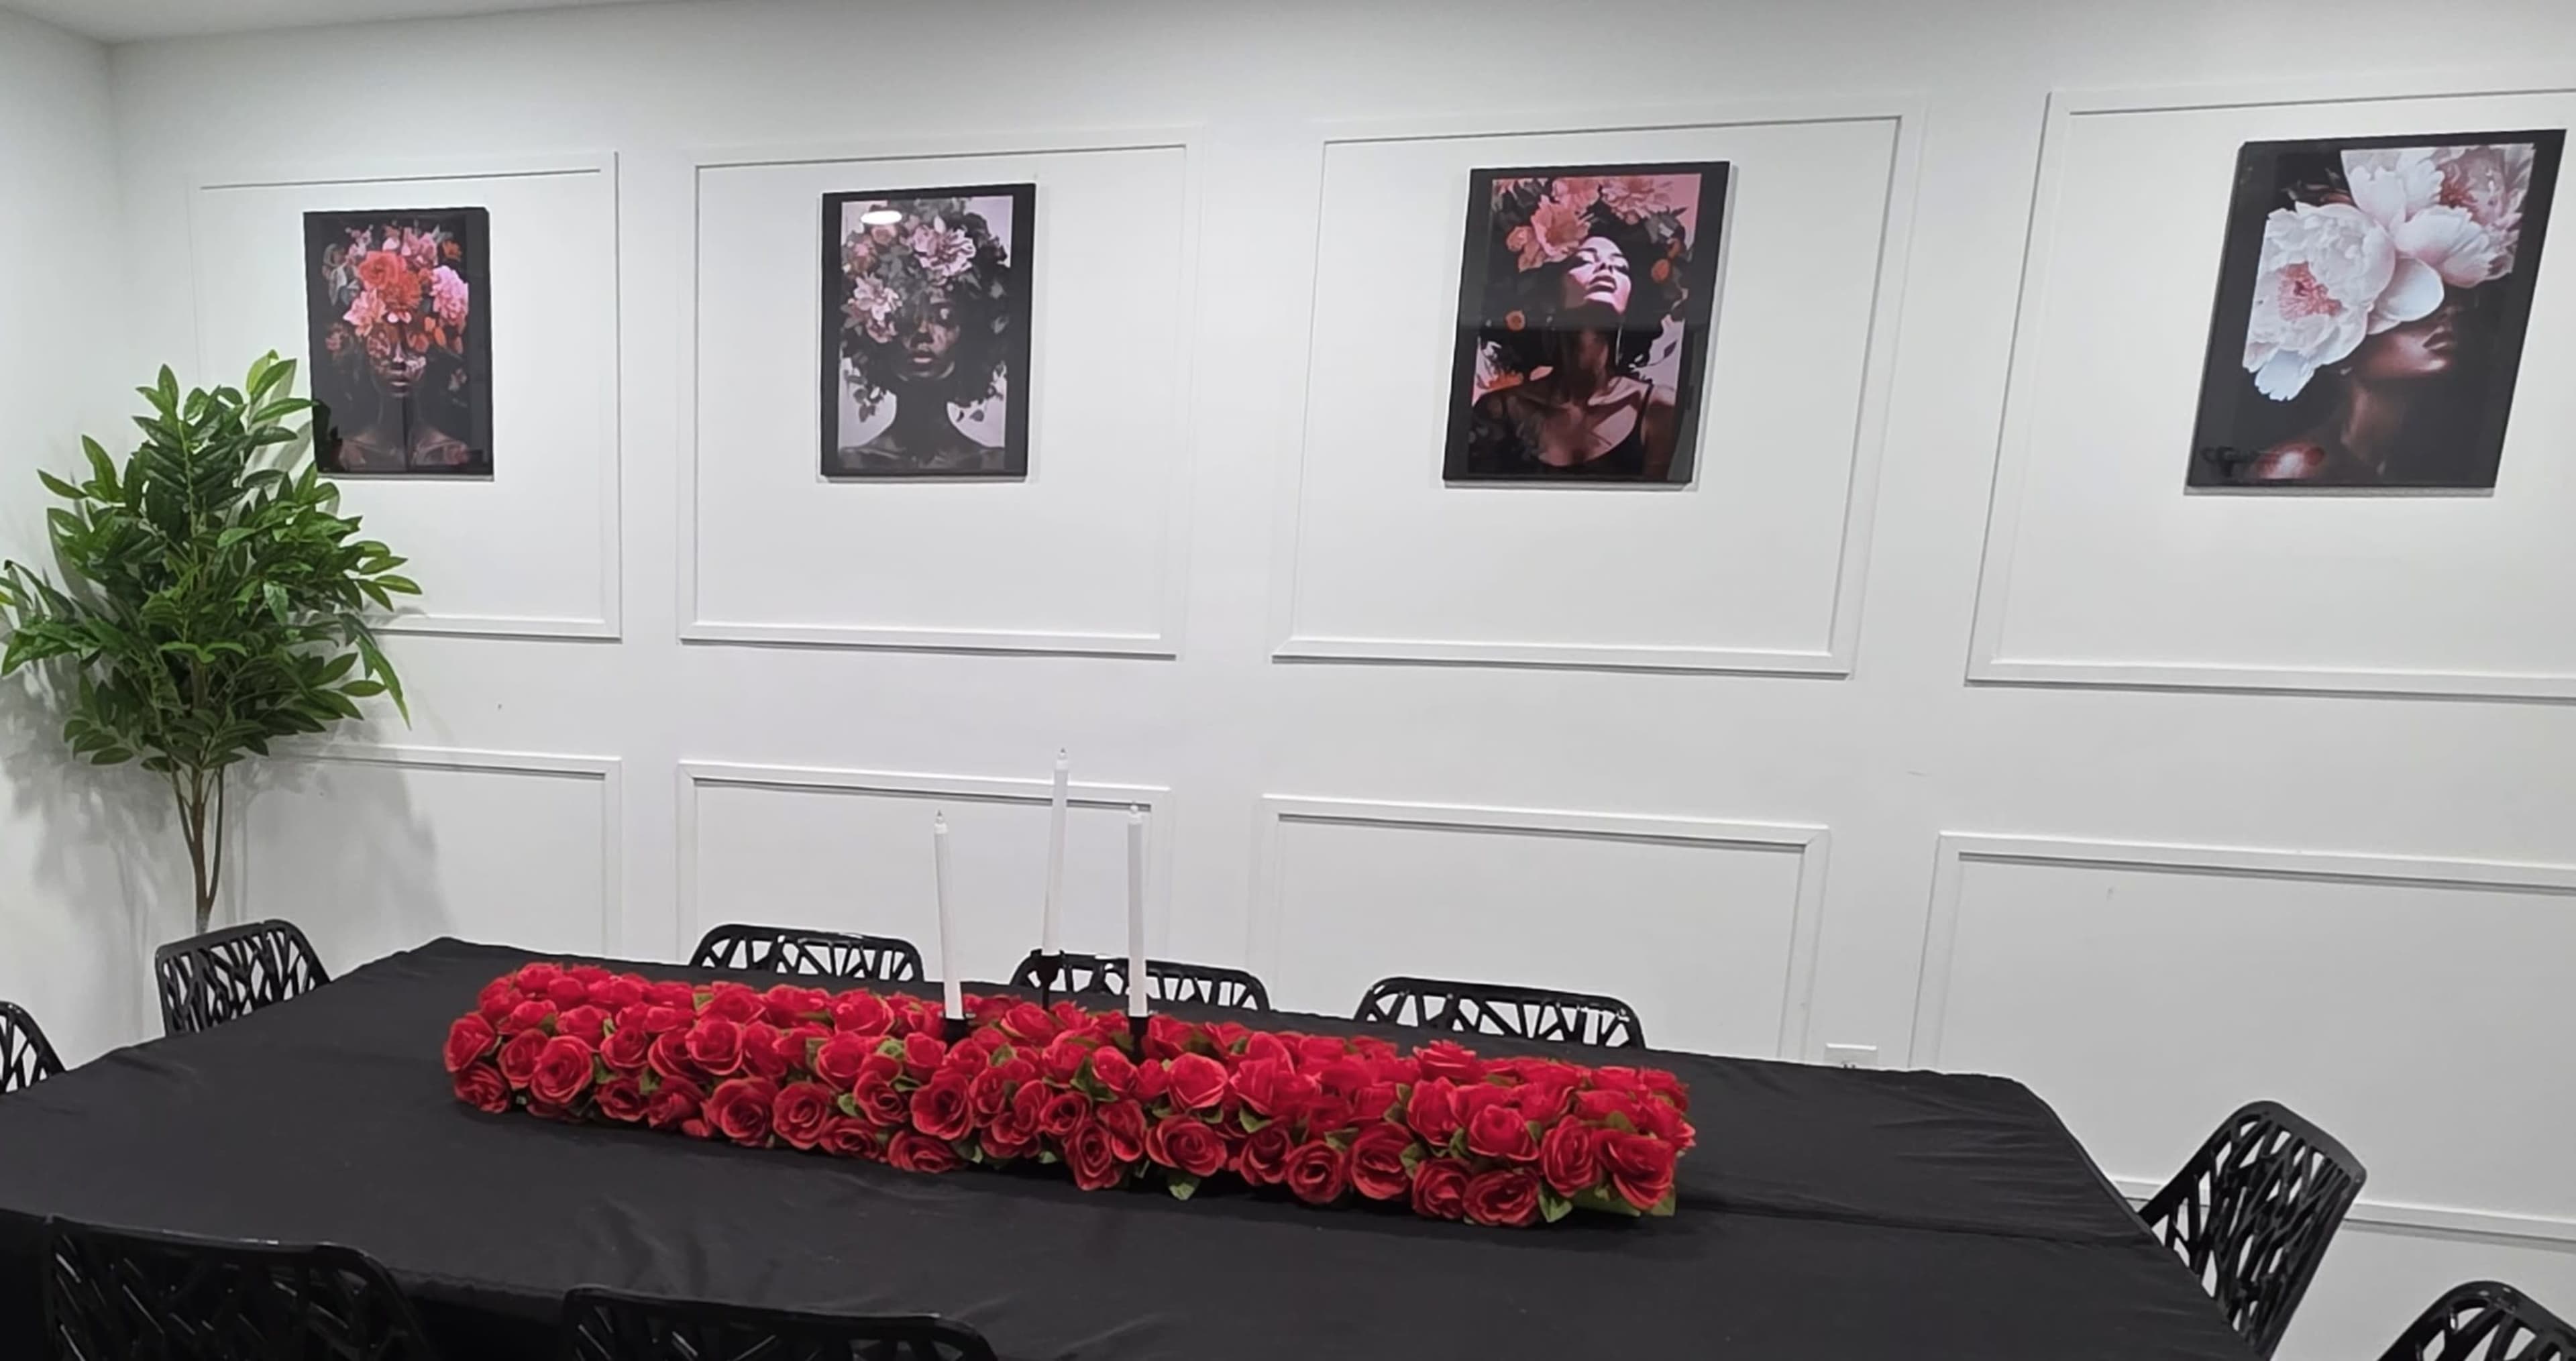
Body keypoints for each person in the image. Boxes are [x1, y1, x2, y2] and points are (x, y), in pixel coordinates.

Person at [1458, 173, 1701, 481]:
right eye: (1587, 259)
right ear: (1549, 295)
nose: (1607, 268)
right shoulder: (1500, 408)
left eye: (1621, 266)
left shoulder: (1658, 407)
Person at [830, 195, 1020, 476]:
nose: (922, 334)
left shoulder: (992, 462)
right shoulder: (851, 462)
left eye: (943, 316)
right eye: (904, 319)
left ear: (972, 332)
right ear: (874, 330)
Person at [314, 221, 480, 474]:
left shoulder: (452, 453)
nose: (399, 359)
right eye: (383, 345)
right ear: (363, 352)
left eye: (413, 347)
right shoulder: (350, 454)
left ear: (433, 353)